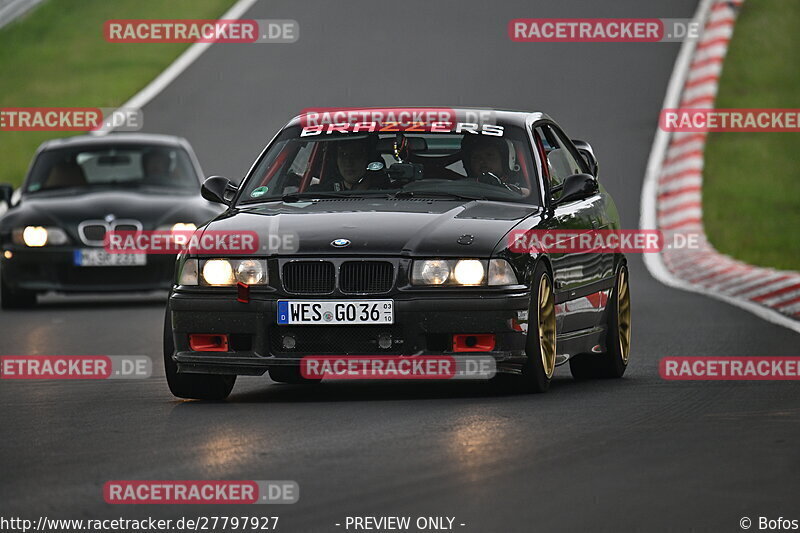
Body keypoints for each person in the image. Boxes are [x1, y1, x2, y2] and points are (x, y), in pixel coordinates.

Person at [312, 137, 388, 192]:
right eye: (343, 155)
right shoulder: (320, 194)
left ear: (368, 159)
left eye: (356, 155)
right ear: (336, 161)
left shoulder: (391, 195)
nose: (349, 162)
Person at [461, 135, 530, 195]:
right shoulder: (461, 189)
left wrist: (513, 190)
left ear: (504, 160)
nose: (482, 161)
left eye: (489, 155)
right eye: (476, 157)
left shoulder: (524, 186)